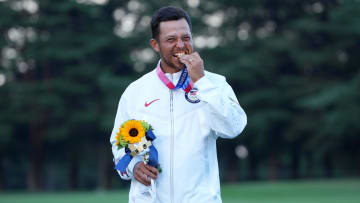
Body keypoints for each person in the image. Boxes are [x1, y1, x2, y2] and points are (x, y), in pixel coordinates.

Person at [110, 6, 247, 203]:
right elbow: (118, 142)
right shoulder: (135, 91)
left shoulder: (215, 83)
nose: (180, 45)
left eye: (186, 37)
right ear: (155, 45)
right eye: (171, 39)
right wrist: (133, 166)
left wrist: (201, 82)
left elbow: (233, 128)